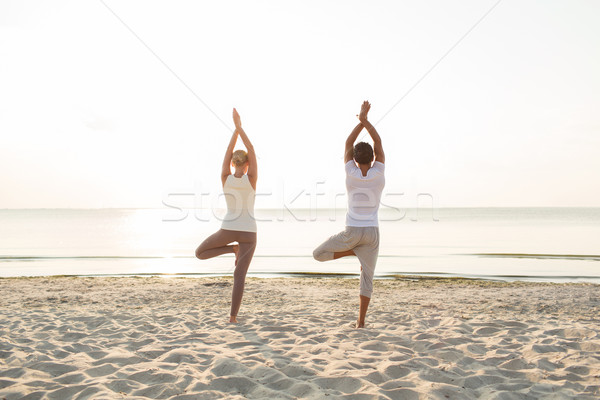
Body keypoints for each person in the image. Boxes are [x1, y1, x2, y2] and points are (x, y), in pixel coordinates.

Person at [313, 101, 385, 328]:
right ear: (372, 159)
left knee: (318, 254)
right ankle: (361, 322)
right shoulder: (379, 172)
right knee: (367, 279)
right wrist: (366, 120)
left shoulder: (350, 172)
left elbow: (348, 143)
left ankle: (352, 252)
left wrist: (359, 121)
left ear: (355, 159)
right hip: (372, 233)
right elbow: (379, 142)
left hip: (352, 231)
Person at [195, 108, 257, 323]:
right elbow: (251, 148)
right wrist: (241, 128)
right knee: (239, 276)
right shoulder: (252, 178)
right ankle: (233, 317)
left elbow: (229, 150)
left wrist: (235, 130)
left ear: (232, 164)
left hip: (229, 228)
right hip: (249, 232)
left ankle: (232, 249)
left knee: (200, 253)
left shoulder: (225, 177)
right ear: (247, 164)